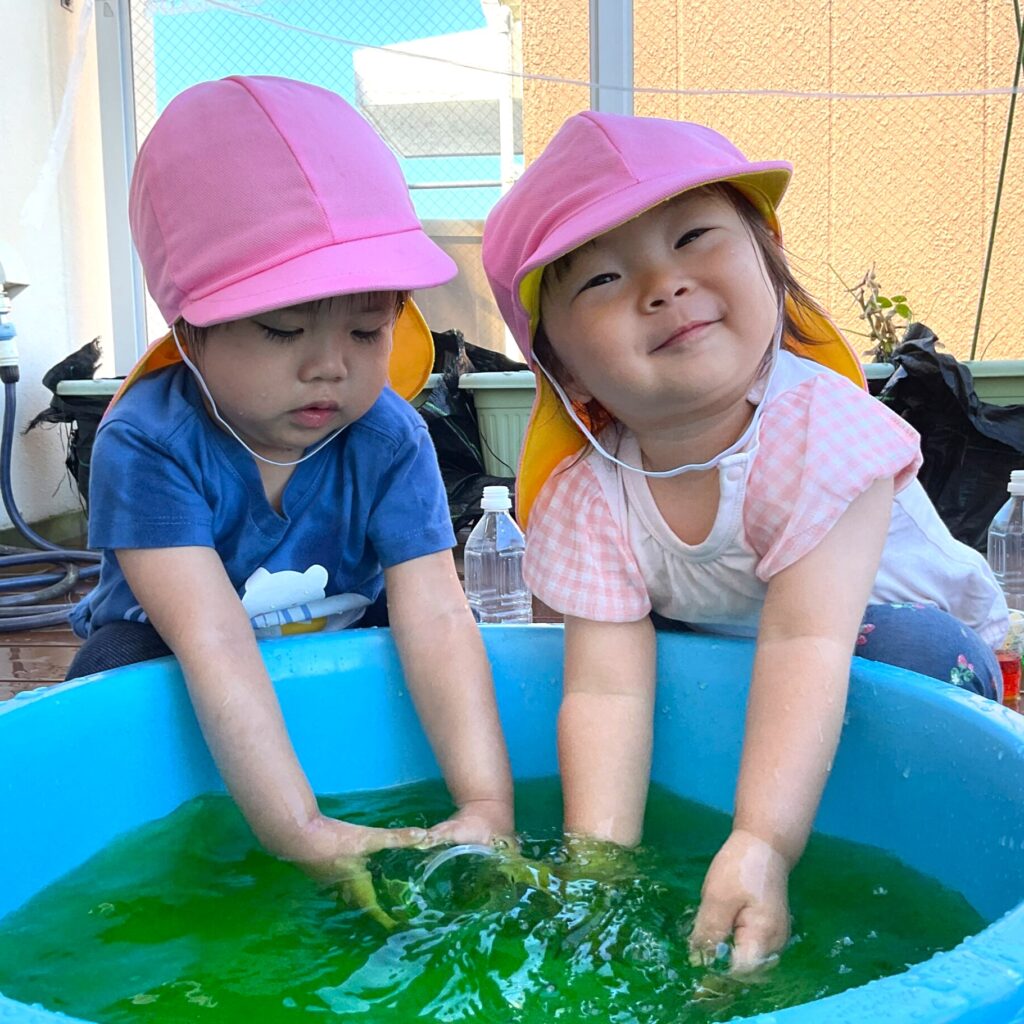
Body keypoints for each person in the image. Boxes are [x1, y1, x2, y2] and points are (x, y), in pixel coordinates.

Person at [481, 112, 1007, 971]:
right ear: (562, 367)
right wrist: (597, 877)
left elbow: (810, 640)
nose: (663, 284)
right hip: (740, 651)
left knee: (921, 651)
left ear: (768, 257)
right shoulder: (590, 491)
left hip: (885, 651)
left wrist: (762, 842)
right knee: (653, 670)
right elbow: (608, 695)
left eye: (693, 236)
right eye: (605, 278)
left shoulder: (819, 430)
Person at [65, 76, 513, 917]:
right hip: (177, 654)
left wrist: (487, 807)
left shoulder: (389, 436)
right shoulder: (149, 442)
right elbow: (214, 645)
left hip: (350, 638)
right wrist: (302, 830)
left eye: (366, 327)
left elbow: (438, 618)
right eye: (282, 329)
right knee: (108, 674)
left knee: (459, 631)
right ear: (189, 330)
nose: (328, 364)